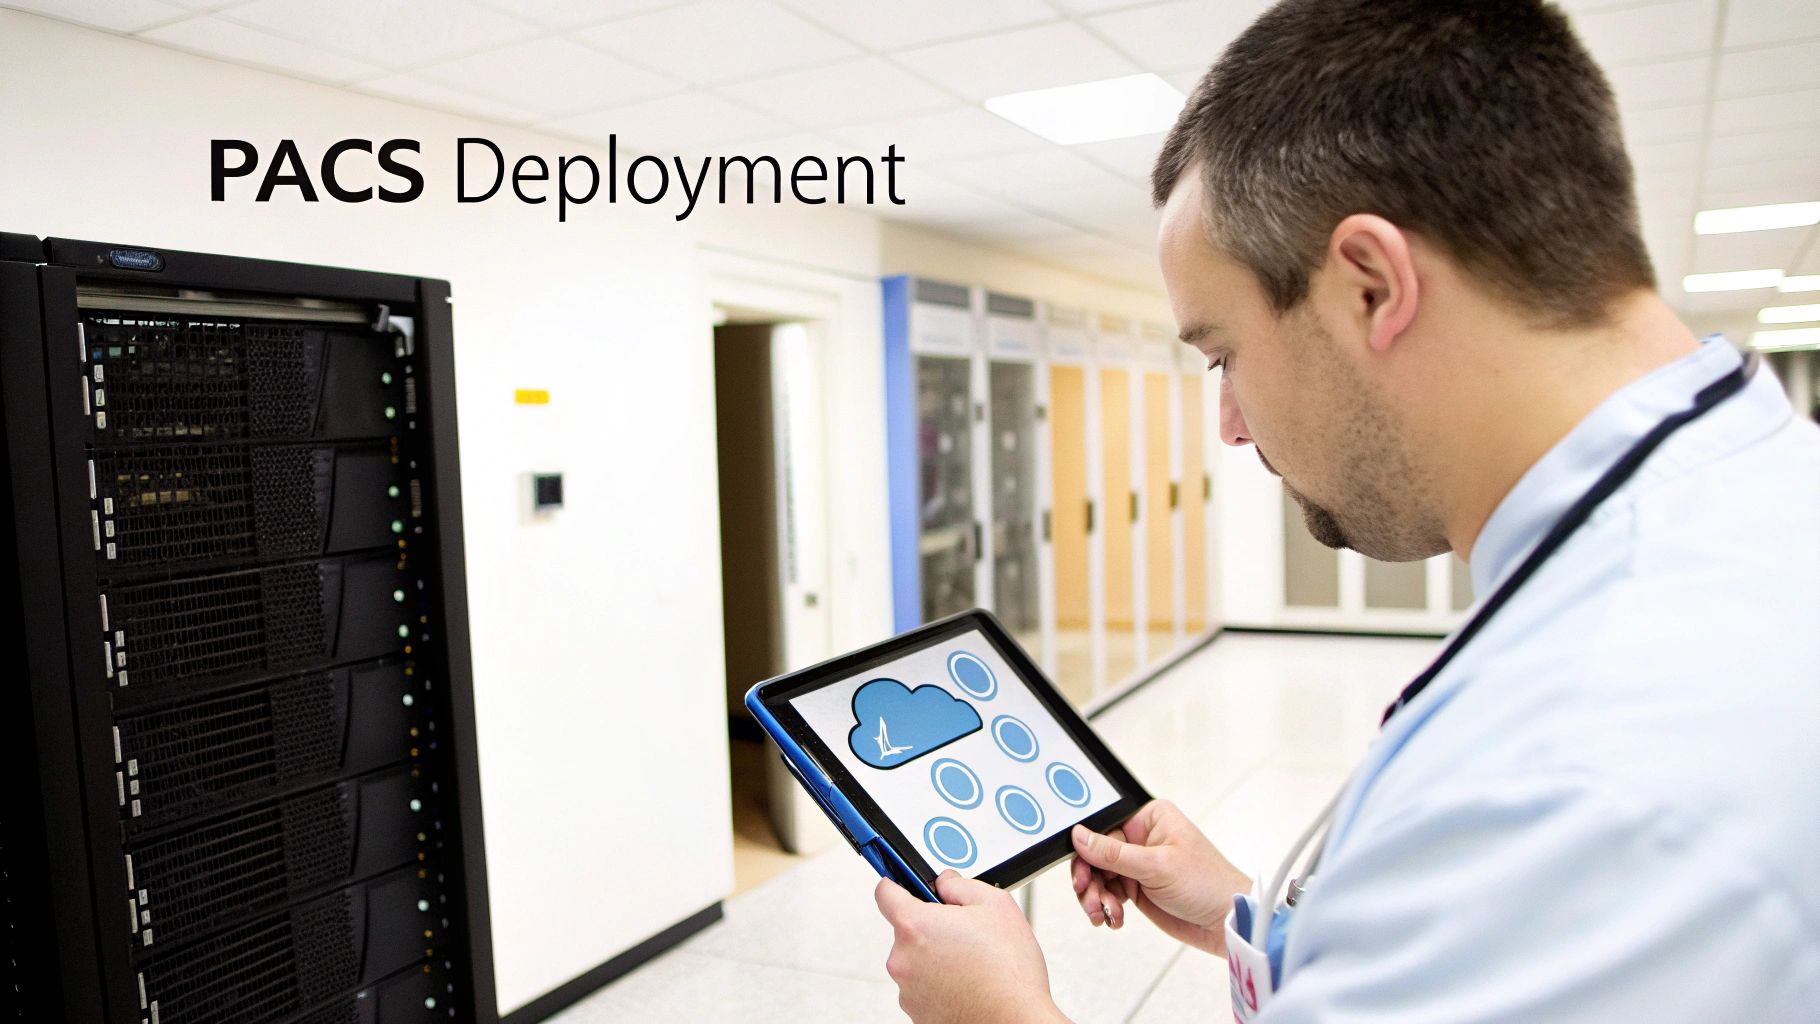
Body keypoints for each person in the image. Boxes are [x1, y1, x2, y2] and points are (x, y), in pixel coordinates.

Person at [872, 0, 1820, 1019]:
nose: (1228, 426)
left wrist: (1001, 1013)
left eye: (1223, 353)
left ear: (1369, 285)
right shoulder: (1734, 508)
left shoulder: (1581, 754)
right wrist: (1255, 918)